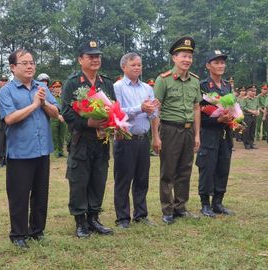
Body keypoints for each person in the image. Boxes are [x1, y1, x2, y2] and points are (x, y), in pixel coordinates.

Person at [0, 49, 59, 249]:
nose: (30, 66)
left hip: (42, 150)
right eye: (24, 63)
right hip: (20, 152)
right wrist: (34, 105)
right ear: (13, 67)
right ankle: (18, 234)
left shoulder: (41, 87)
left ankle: (37, 230)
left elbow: (55, 111)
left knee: (41, 194)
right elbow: (10, 118)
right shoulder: (6, 91)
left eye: (32, 62)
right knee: (19, 196)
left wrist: (43, 103)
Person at [61, 39, 115, 238]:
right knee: (79, 180)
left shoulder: (106, 82)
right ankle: (80, 221)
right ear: (80, 59)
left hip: (101, 140)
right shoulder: (73, 82)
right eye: (90, 56)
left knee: (98, 178)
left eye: (98, 56)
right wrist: (87, 123)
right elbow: (66, 111)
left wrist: (111, 123)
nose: (95, 59)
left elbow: (113, 107)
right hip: (81, 139)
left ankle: (94, 218)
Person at [152, 36, 202, 225]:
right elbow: (156, 108)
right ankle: (167, 210)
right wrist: (156, 136)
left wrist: (197, 134)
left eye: (190, 56)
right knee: (168, 171)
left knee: (185, 170)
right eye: (183, 56)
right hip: (170, 130)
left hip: (188, 131)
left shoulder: (195, 81)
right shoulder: (163, 80)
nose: (187, 60)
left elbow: (196, 107)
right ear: (174, 58)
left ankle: (181, 207)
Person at [113, 52, 160, 228]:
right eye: (133, 65)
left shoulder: (147, 88)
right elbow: (117, 112)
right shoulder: (117, 87)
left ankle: (141, 214)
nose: (137, 68)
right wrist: (139, 108)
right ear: (124, 67)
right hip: (125, 138)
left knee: (142, 178)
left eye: (139, 64)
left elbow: (154, 114)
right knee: (124, 179)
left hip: (143, 138)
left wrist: (153, 110)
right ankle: (123, 218)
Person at [196, 50, 235, 217]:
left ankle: (218, 202)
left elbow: (233, 106)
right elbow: (199, 113)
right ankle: (205, 204)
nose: (221, 65)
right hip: (209, 132)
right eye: (216, 62)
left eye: (222, 62)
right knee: (207, 167)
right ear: (208, 65)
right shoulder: (203, 86)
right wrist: (217, 120)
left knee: (223, 166)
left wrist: (233, 117)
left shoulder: (227, 85)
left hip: (226, 133)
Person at [50, 80, 67, 157]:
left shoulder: (64, 96)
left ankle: (61, 151)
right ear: (52, 88)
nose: (57, 88)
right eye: (55, 87)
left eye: (59, 86)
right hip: (54, 118)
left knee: (62, 134)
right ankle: (55, 151)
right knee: (54, 135)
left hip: (63, 117)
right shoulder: (50, 97)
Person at [241, 85, 259, 149]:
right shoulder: (245, 99)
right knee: (246, 130)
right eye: (252, 91)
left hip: (254, 116)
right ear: (248, 92)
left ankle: (251, 143)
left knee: (252, 130)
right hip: (247, 116)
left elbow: (258, 106)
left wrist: (258, 111)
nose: (254, 92)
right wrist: (251, 111)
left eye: (255, 91)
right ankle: (246, 144)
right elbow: (243, 107)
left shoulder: (256, 98)